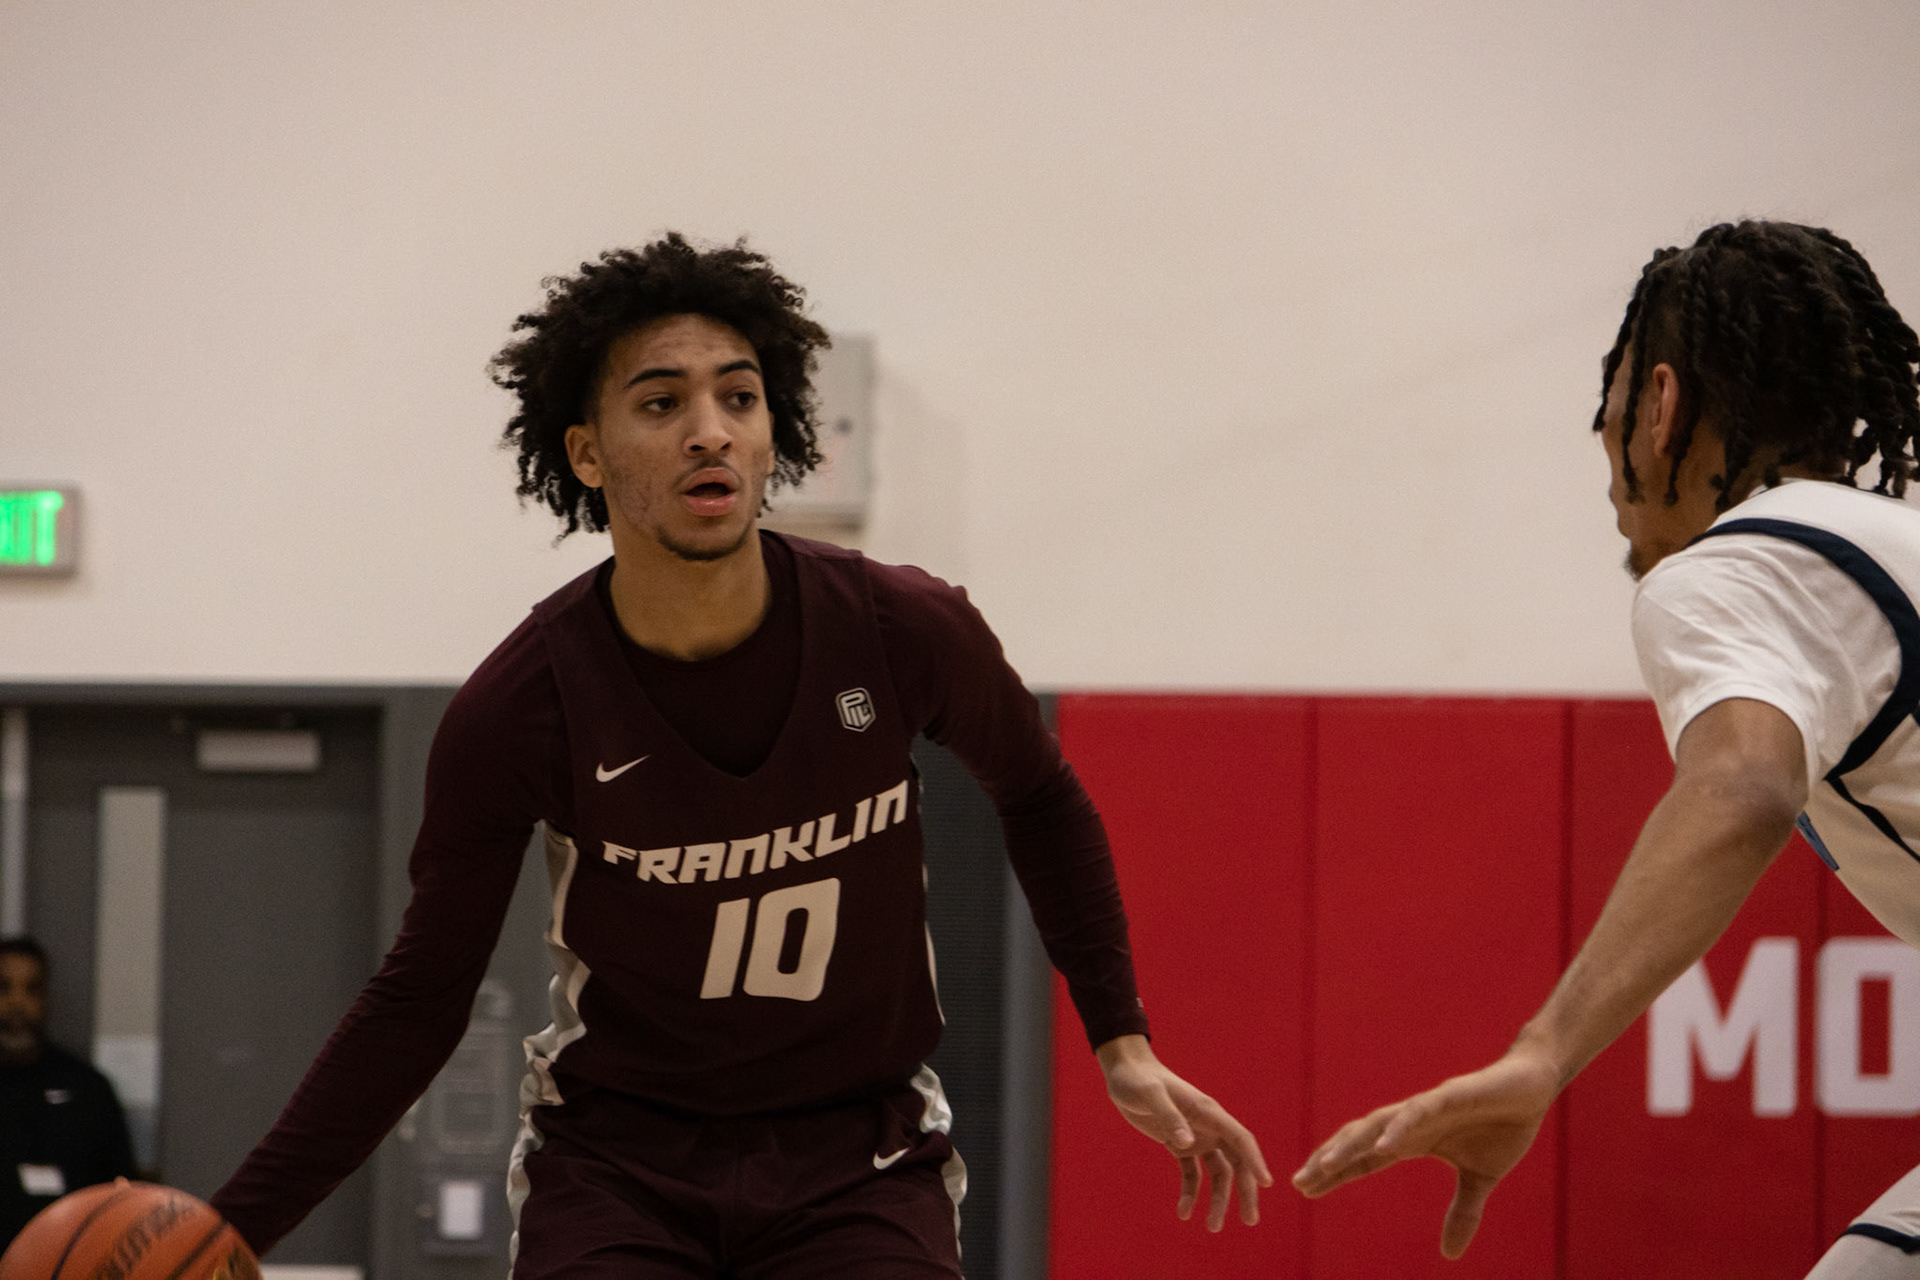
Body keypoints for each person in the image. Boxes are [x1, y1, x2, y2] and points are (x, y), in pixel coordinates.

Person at [210, 233, 1269, 1277]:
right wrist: (229, 1234)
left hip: (858, 1153)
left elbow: (1039, 795)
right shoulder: (523, 707)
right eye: (661, 403)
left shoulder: (901, 628)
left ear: (774, 436)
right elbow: (420, 996)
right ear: (587, 453)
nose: (709, 431)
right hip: (619, 1162)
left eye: (740, 397)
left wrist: (1121, 1038)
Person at [1291, 220, 1920, 1277]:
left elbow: (1747, 781)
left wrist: (1541, 1052)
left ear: (1661, 403)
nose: (1604, 452)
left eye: (1610, 402)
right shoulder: (1883, 545)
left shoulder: (1742, 566)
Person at [0, 936, 138, 1249]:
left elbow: (122, 1197)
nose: (17, 1004)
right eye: (3, 988)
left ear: (46, 998)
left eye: (32, 989)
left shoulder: (88, 1089)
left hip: (72, 1259)